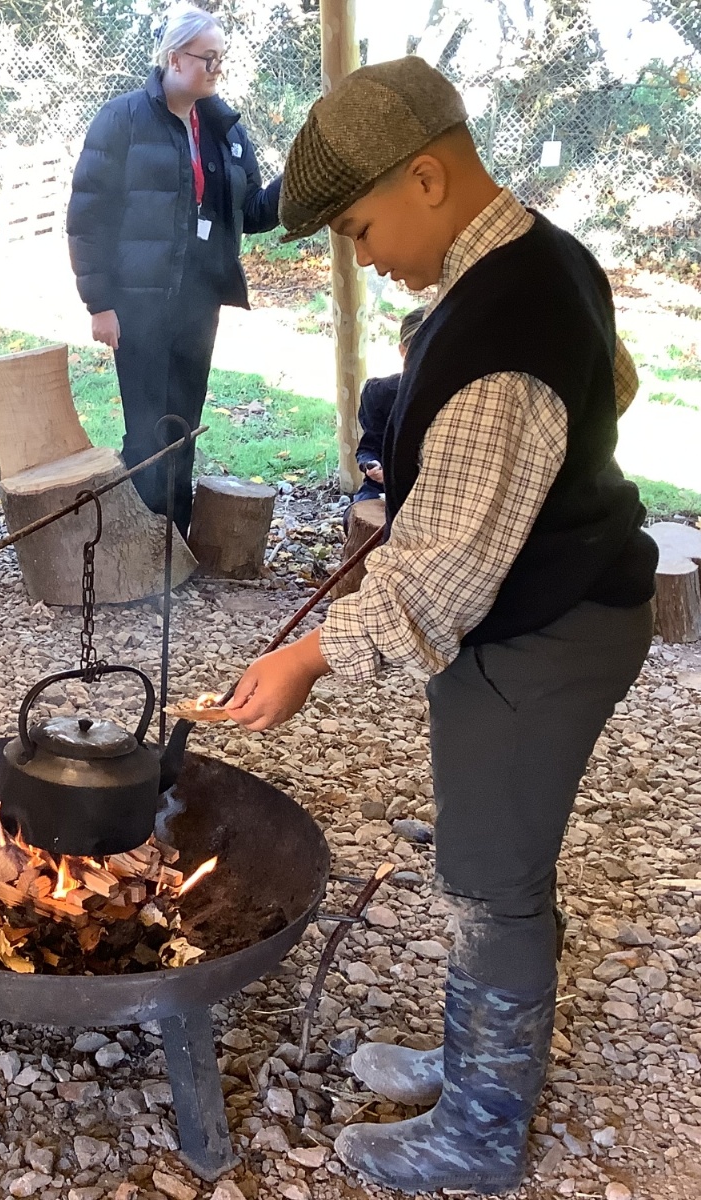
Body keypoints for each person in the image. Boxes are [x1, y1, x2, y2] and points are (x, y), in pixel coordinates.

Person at [224, 58, 657, 1195]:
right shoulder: (548, 258)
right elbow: (613, 384)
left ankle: (480, 1132)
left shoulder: (498, 333)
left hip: (543, 631)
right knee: (490, 853)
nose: (362, 256)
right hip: (553, 601)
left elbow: (447, 576)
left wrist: (311, 656)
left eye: (359, 229)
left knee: (492, 880)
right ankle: (474, 1061)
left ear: (426, 178)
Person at [67, 1, 283, 533]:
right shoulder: (122, 119)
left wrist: (297, 182)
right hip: (137, 305)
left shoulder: (225, 130)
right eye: (208, 57)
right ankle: (139, 542)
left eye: (221, 58)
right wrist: (100, 304)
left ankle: (174, 544)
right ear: (174, 57)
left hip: (199, 305)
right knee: (146, 432)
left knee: (183, 426)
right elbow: (88, 217)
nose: (216, 68)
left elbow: (252, 212)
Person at [352, 307, 426, 503]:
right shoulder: (380, 393)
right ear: (403, 351)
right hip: (385, 490)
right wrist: (372, 465)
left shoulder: (463, 397)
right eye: (420, 352)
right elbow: (369, 447)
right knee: (361, 512)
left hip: (437, 493)